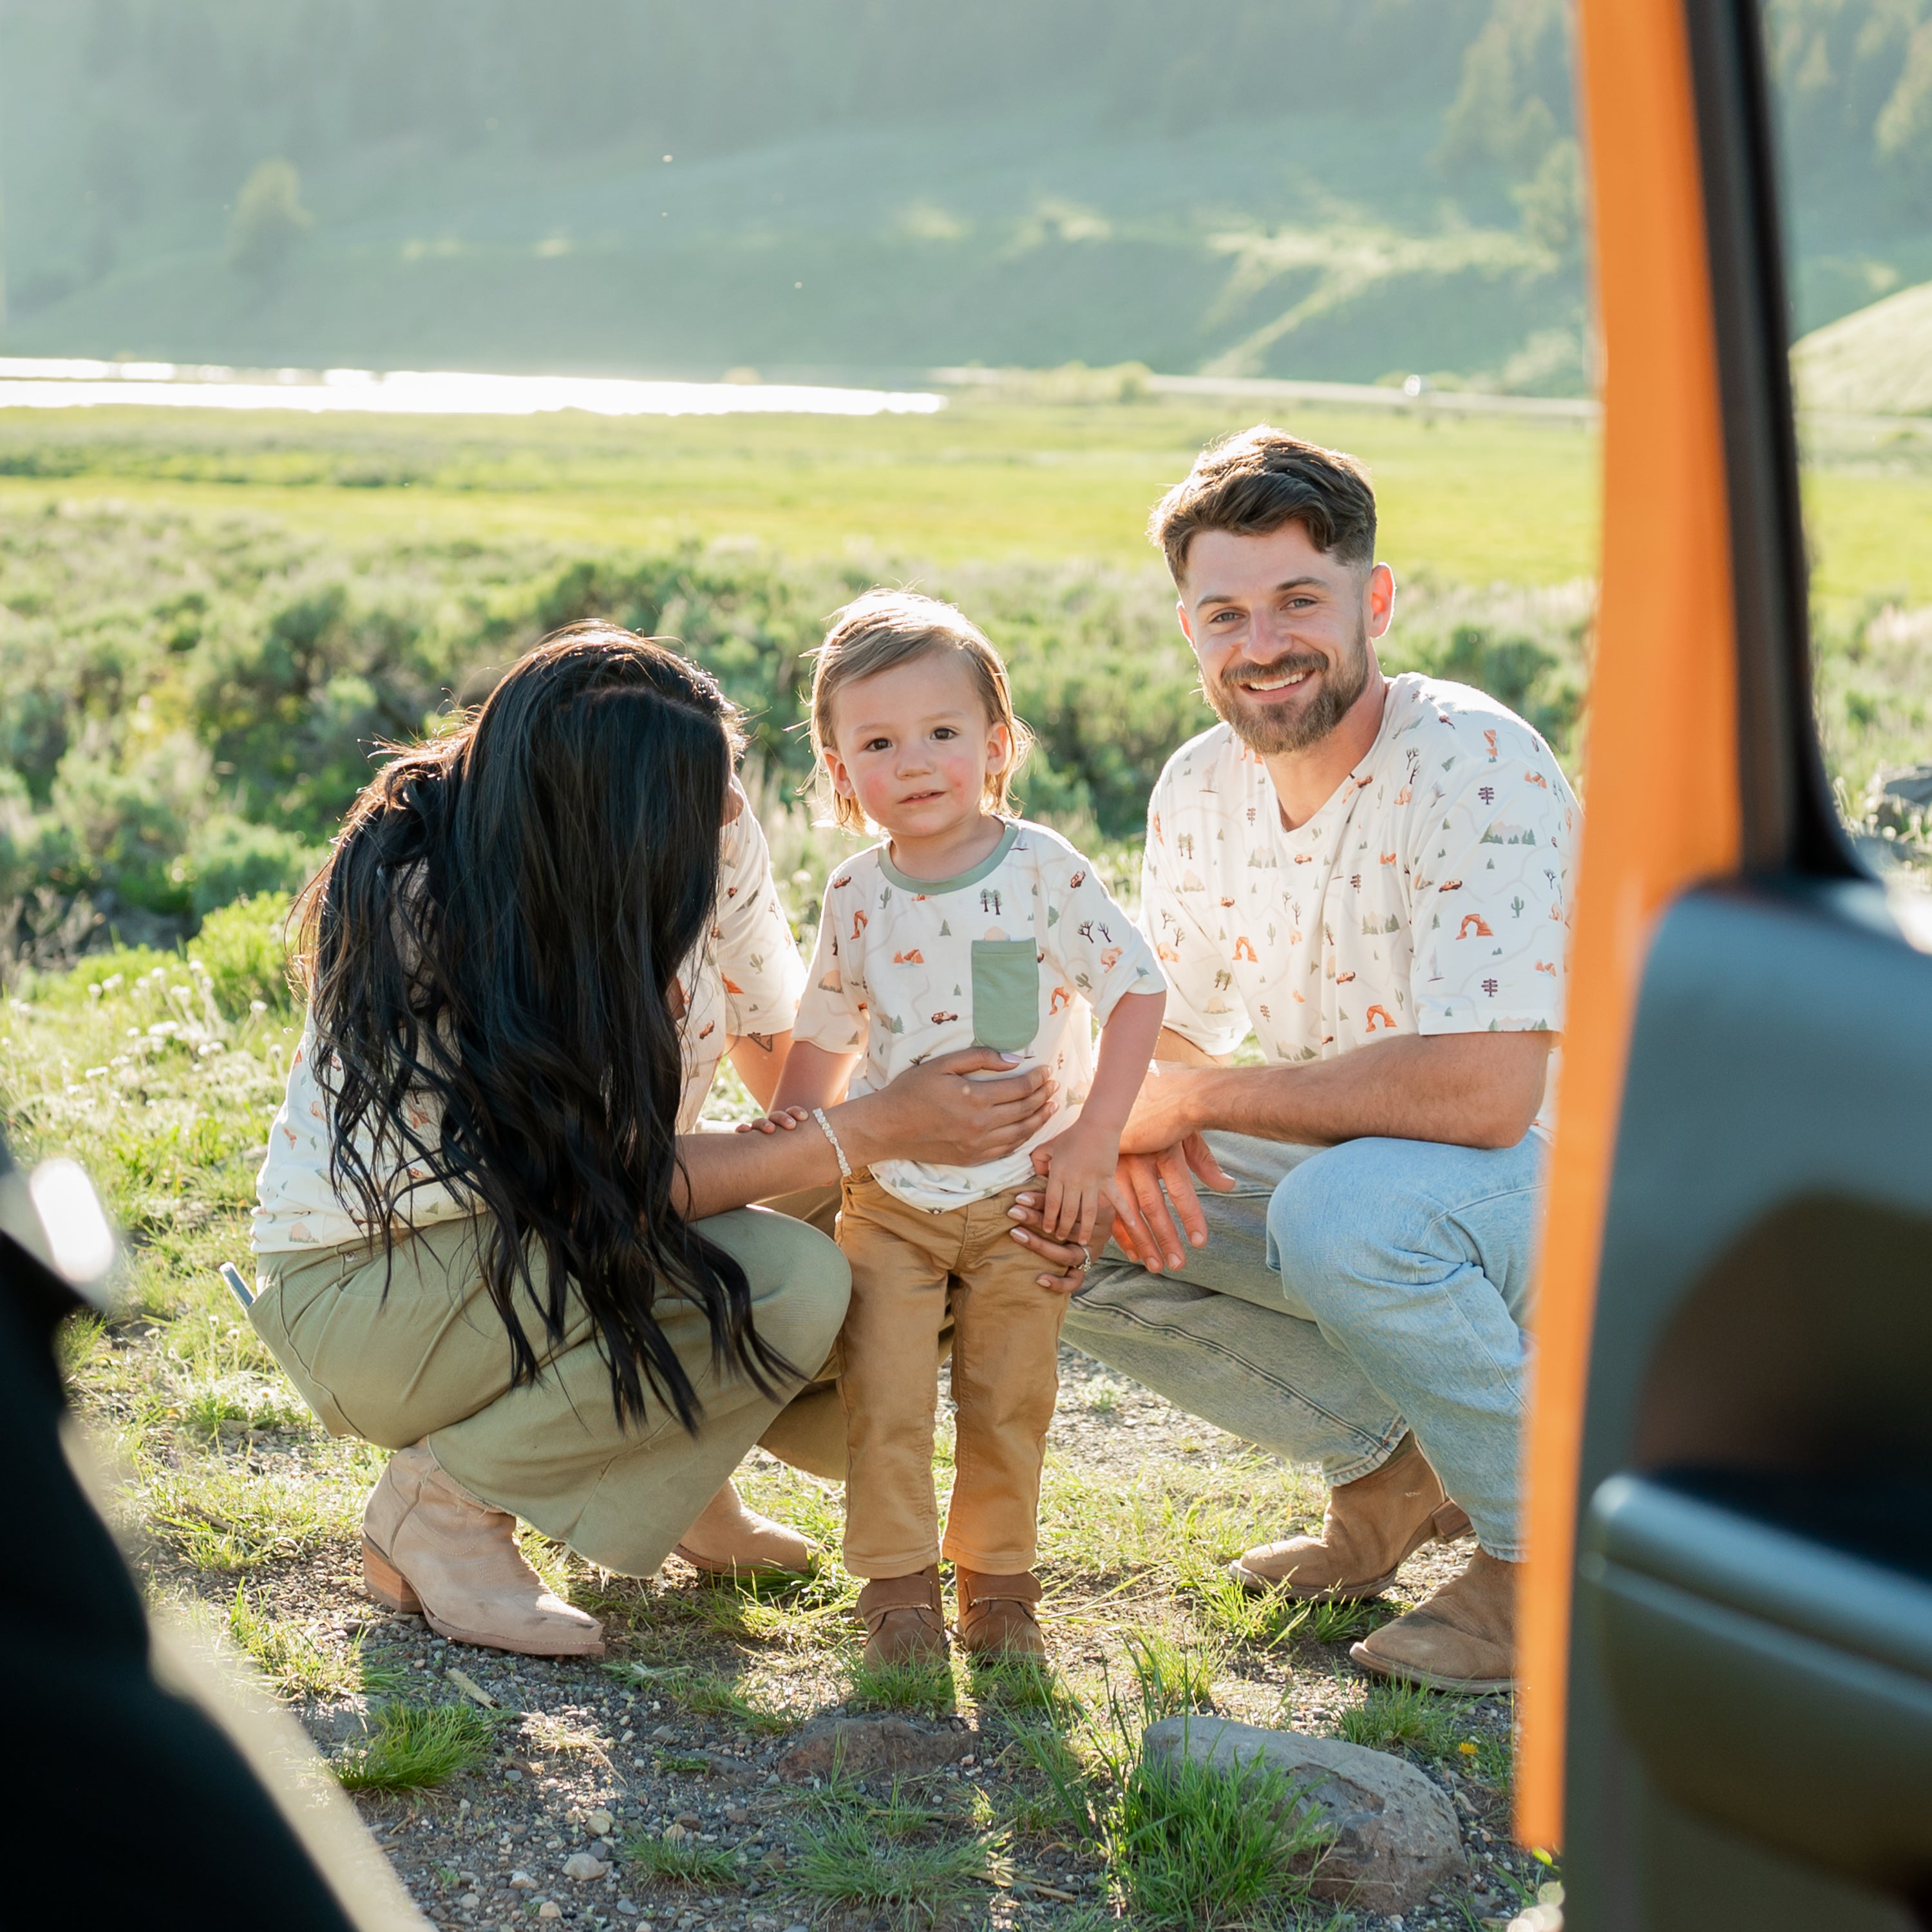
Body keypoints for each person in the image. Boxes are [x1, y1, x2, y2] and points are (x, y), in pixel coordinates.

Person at [246, 627, 1058, 1658]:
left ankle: (675, 1480)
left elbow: (782, 1049)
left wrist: (972, 1133)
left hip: (563, 1238)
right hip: (378, 1295)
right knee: (790, 1279)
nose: (728, 817)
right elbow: (607, 1188)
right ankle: (442, 1512)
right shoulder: (432, 906)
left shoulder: (708, 820)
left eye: (728, 787)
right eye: (700, 806)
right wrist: (877, 1126)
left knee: (930, 1195)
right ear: (607, 821)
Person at [1009, 427, 1578, 1694]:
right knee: (1044, 1197)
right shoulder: (1199, 787)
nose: (1261, 644)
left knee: (1345, 1214)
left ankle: (1548, 1559)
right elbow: (1173, 1027)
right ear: (1189, 629)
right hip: (1375, 1174)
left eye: (1299, 601)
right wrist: (1119, 1136)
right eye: (1226, 614)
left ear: (1375, 600)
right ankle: (1391, 1475)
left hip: (1567, 1194)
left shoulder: (1475, 761)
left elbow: (1487, 1098)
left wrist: (1195, 1101)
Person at [761, 592, 1165, 1663]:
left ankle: (1000, 1587)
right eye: (878, 744)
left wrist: (1095, 1138)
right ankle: (896, 1593)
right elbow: (827, 1029)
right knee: (885, 1398)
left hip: (1027, 1204)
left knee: (1008, 1399)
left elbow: (1136, 991)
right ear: (839, 772)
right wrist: (790, 1127)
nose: (915, 762)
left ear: (996, 745)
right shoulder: (856, 892)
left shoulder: (1042, 869)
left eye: (942, 732)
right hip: (891, 1202)